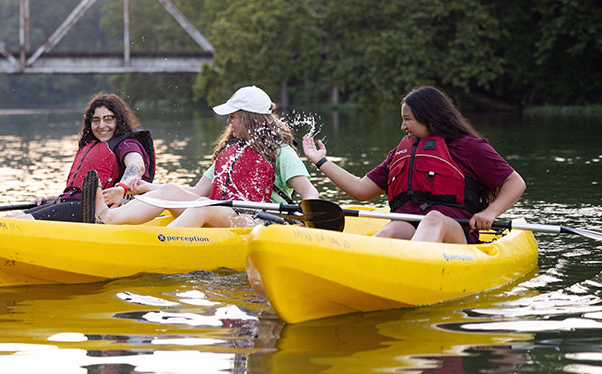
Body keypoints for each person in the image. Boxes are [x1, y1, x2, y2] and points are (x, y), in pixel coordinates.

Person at [303, 86, 526, 244]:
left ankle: (412, 268)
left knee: (434, 219)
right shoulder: (401, 152)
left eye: (407, 119)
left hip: (455, 234)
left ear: (431, 118)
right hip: (409, 228)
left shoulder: (469, 147)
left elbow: (514, 182)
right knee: (393, 229)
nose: (402, 126)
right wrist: (320, 160)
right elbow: (361, 190)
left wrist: (491, 212)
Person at [91, 85, 319, 228]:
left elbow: (309, 191)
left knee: (202, 206)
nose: (229, 122)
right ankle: (111, 217)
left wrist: (311, 211)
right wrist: (148, 187)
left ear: (250, 118)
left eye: (234, 116)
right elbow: (197, 193)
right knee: (172, 190)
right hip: (221, 212)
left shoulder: (281, 152)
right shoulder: (232, 153)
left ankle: (156, 248)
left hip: (258, 222)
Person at [15, 92, 155, 222]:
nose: (101, 126)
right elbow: (78, 192)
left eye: (108, 119)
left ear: (119, 120)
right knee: (16, 216)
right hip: (76, 206)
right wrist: (51, 199)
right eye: (96, 120)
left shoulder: (127, 144)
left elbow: (136, 166)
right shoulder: (92, 145)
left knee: (20, 219)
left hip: (94, 211)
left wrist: (122, 188)